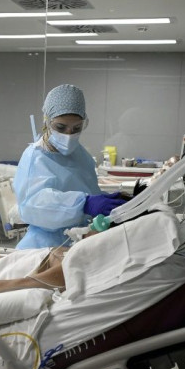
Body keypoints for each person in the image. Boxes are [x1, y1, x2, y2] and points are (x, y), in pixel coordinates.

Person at [13, 84, 127, 249]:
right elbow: (33, 205)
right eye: (60, 127)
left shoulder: (81, 154)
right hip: (44, 247)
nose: (68, 135)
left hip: (79, 241)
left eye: (76, 128)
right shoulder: (35, 157)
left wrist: (103, 199)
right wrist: (83, 203)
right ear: (47, 121)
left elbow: (86, 190)